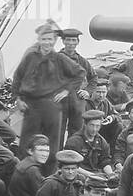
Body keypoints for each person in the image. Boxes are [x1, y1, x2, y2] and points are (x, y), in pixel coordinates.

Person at [11, 23, 88, 158]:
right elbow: (18, 77)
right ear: (39, 40)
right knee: (27, 141)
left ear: (54, 40)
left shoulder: (60, 58)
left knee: (52, 143)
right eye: (44, 39)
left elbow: (80, 73)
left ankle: (50, 169)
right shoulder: (30, 57)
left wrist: (66, 91)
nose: (47, 42)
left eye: (50, 39)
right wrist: (18, 98)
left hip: (51, 105)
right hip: (31, 105)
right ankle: (25, 167)